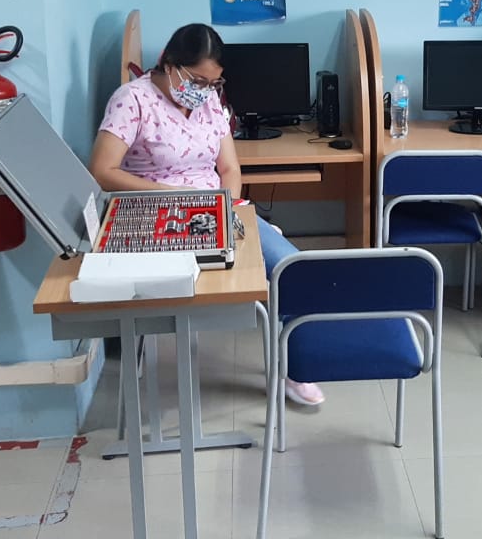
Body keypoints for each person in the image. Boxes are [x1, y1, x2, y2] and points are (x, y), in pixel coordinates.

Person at [88, 23, 325, 406]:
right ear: (170, 64)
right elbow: (102, 170)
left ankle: (294, 369)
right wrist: (172, 196)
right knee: (204, 282)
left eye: (214, 83)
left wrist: (226, 210)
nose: (203, 91)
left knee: (292, 268)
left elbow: (229, 168)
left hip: (215, 210)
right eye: (197, 80)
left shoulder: (210, 101)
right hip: (155, 213)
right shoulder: (132, 100)